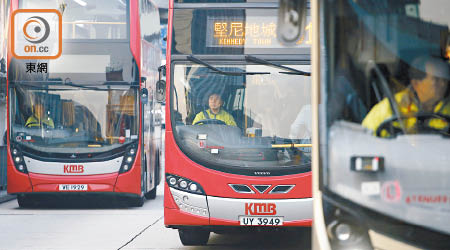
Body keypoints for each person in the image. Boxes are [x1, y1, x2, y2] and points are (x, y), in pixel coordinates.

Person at [362, 56, 450, 137]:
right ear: (416, 83)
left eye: (445, 80)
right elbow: (365, 138)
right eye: (436, 80)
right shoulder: (390, 107)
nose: (443, 84)